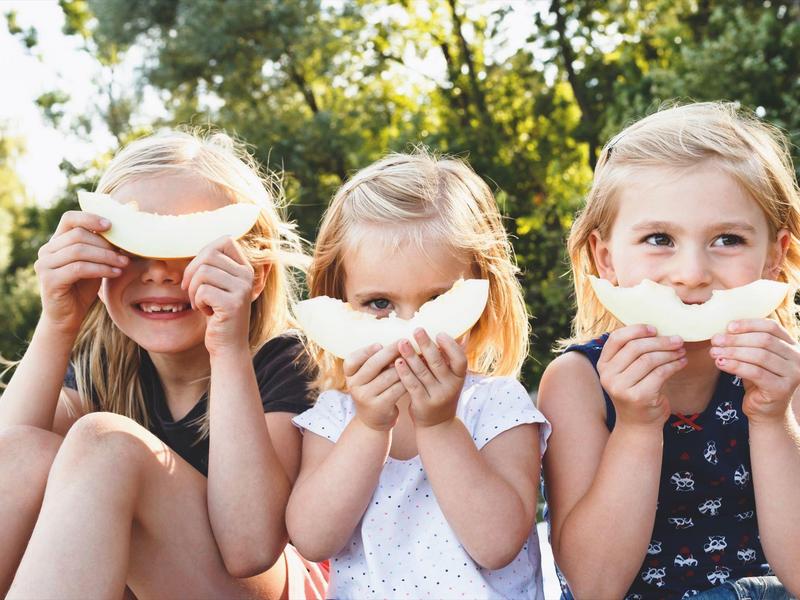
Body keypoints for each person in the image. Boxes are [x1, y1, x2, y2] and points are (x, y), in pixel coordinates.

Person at [0, 130, 327, 599]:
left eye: (189, 248)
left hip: (262, 589)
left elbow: (252, 548)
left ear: (253, 275)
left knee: (106, 444)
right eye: (133, 248)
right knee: (32, 450)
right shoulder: (102, 366)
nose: (159, 271)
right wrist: (58, 324)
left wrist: (228, 348)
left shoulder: (284, 361)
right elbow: (9, 462)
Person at [539, 102, 800, 599]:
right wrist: (636, 425)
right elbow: (593, 585)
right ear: (605, 258)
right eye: (659, 239)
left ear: (773, 256)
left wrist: (772, 420)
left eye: (728, 239)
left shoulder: (786, 375)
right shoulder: (577, 382)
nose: (691, 273)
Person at [286, 151, 550, 599]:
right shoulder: (335, 416)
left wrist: (440, 425)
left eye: (436, 302)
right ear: (340, 299)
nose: (411, 331)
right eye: (379, 304)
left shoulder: (499, 405)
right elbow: (313, 539)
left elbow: (498, 544)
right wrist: (370, 425)